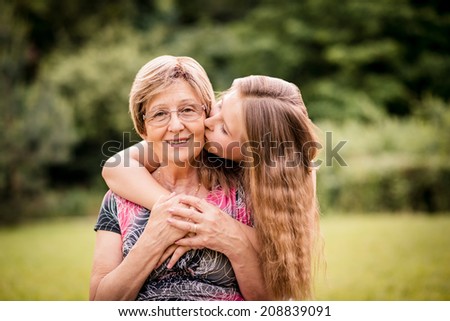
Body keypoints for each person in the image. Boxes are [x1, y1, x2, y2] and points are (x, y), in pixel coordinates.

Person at [103, 73, 321, 300]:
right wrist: (184, 213)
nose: (208, 122)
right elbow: (115, 168)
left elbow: (286, 252)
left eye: (224, 130)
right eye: (220, 105)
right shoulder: (187, 139)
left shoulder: (294, 175)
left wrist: (229, 232)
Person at [90, 55, 267, 301]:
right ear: (143, 128)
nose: (175, 126)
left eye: (187, 110)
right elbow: (99, 305)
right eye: (160, 114)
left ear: (206, 115)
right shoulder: (118, 199)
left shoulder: (244, 192)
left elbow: (275, 304)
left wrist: (234, 243)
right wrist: (151, 242)